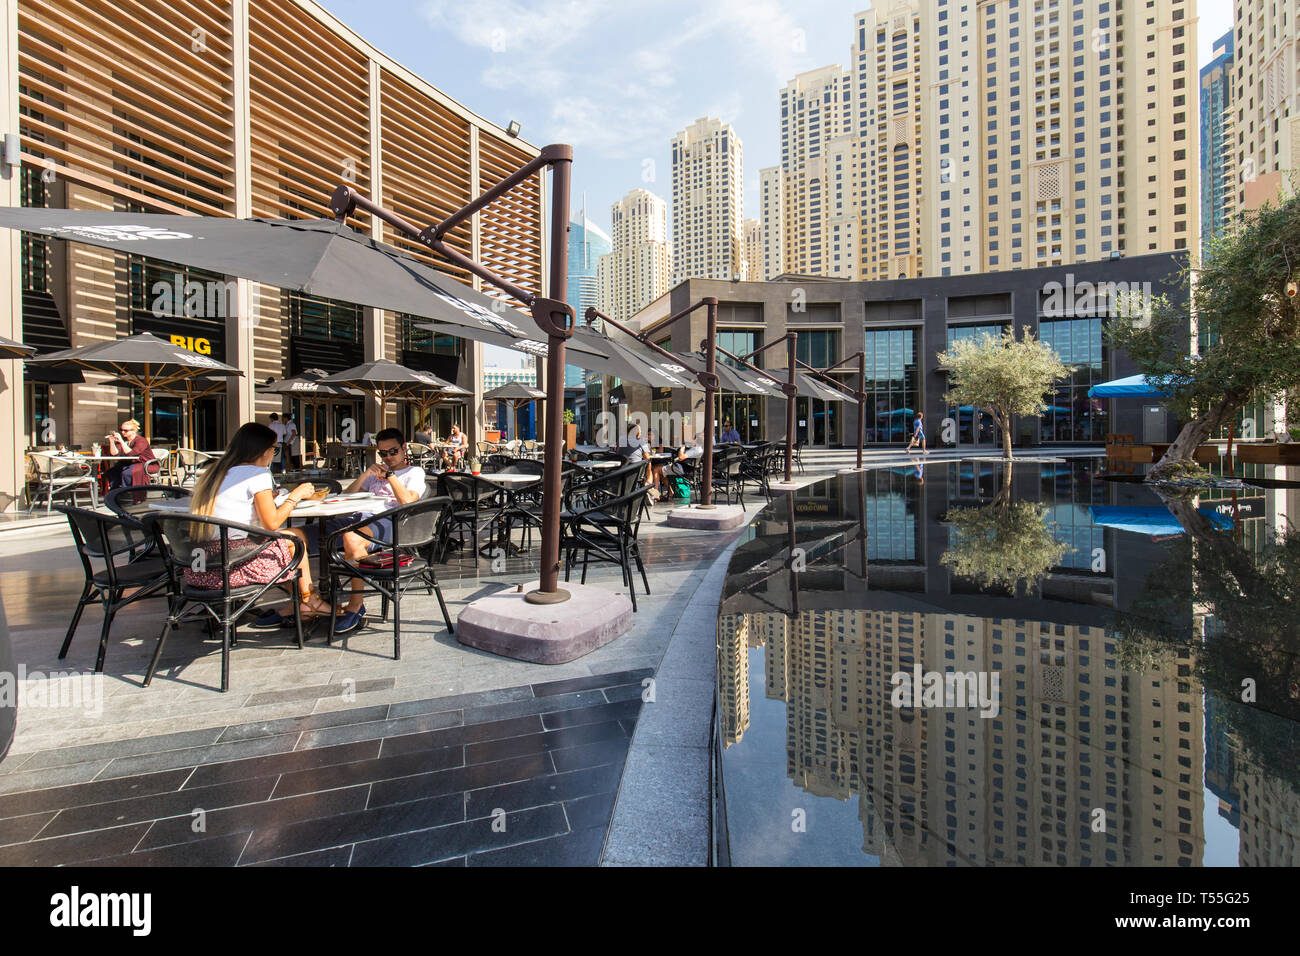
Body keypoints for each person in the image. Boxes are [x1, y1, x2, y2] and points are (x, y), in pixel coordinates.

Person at [184, 422, 332, 621]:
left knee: (287, 542)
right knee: (296, 542)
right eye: (275, 448)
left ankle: (305, 601)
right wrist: (295, 496)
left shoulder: (214, 473)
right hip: (230, 569)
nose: (274, 453)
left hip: (199, 568)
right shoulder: (257, 474)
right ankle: (308, 601)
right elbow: (271, 524)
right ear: (263, 450)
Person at [330, 428, 427, 635]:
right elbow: (347, 496)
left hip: (390, 522)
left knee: (352, 539)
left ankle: (356, 605)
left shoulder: (414, 472)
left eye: (393, 451)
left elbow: (407, 501)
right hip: (358, 517)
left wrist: (391, 476)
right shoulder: (375, 474)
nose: (388, 457)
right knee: (296, 538)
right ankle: (306, 603)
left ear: (404, 448)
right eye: (383, 453)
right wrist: (367, 474)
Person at [104, 419, 157, 488]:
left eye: (125, 430)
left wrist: (121, 441)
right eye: (121, 430)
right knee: (112, 472)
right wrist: (112, 442)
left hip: (146, 464)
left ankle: (130, 492)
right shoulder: (125, 441)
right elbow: (114, 453)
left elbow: (131, 453)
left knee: (127, 473)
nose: (122, 432)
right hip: (130, 463)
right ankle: (116, 492)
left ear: (134, 431)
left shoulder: (141, 440)